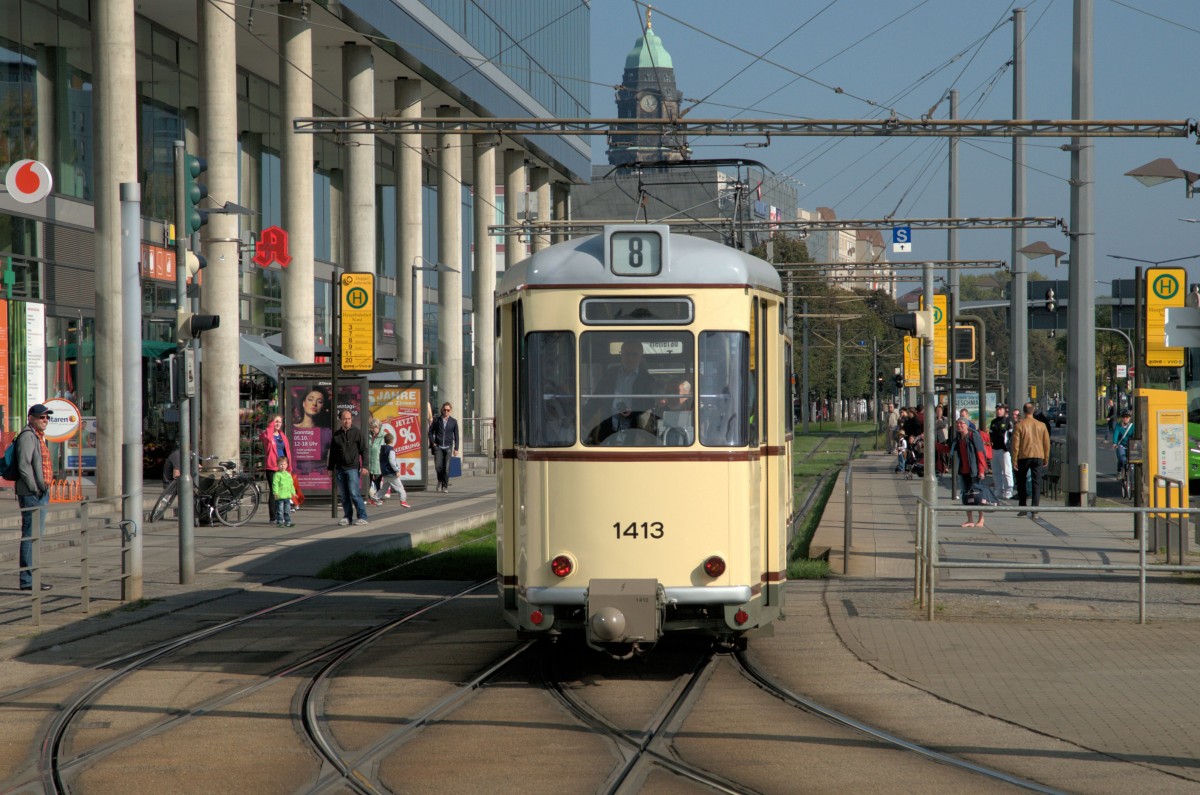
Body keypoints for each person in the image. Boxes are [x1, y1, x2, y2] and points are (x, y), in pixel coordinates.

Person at [15, 404, 53, 591]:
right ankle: (27, 580)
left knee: (35, 536)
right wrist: (35, 489)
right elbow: (24, 465)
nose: (45, 420)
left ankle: (32, 577)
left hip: (39, 492)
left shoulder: (38, 437)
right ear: (31, 418)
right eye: (41, 417)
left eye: (47, 417)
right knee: (31, 536)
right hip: (32, 494)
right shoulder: (28, 436)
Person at [588, 339, 655, 443]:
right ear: (621, 355)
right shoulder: (610, 374)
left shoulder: (646, 379)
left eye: (634, 354)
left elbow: (650, 404)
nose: (630, 358)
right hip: (609, 424)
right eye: (627, 354)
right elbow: (596, 399)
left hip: (634, 427)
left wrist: (633, 411)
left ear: (641, 357)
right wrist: (581, 420)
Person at [327, 409, 370, 525]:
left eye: (349, 418)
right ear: (341, 420)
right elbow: (333, 453)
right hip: (340, 468)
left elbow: (364, 450)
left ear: (352, 419)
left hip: (352, 467)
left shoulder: (357, 432)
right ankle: (347, 517)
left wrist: (365, 465)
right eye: (344, 419)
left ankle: (362, 516)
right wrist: (330, 468)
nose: (347, 421)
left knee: (354, 493)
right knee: (344, 495)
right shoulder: (336, 435)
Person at [1011, 401, 1051, 519]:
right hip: (1038, 456)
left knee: (1022, 482)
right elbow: (1046, 443)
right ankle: (1035, 509)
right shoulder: (1041, 425)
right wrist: (1046, 457)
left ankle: (1023, 506)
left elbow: (1015, 445)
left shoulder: (1019, 425)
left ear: (1023, 412)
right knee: (1036, 483)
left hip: (1024, 456)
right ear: (1033, 411)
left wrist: (1014, 460)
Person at [952, 417, 989, 528]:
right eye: (957, 423)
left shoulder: (974, 436)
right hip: (963, 471)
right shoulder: (958, 438)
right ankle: (970, 520)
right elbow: (949, 449)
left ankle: (981, 519)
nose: (959, 425)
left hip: (975, 471)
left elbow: (980, 453)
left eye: (961, 423)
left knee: (978, 495)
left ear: (967, 425)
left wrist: (981, 471)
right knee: (966, 496)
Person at [259, 414, 293, 523]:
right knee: (274, 491)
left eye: (279, 422)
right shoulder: (267, 435)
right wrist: (271, 425)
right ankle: (273, 517)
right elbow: (267, 435)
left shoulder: (282, 435)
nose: (278, 424)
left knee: (283, 490)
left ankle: (281, 515)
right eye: (275, 422)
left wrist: (288, 466)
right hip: (272, 467)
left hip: (282, 467)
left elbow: (287, 451)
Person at [428, 402, 460, 492]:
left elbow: (456, 436)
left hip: (448, 446)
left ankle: (444, 486)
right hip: (438, 446)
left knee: (446, 468)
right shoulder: (436, 420)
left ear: (450, 411)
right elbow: (430, 432)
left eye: (448, 410)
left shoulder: (453, 422)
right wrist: (433, 443)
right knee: (438, 467)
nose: (446, 412)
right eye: (444, 410)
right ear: (442, 410)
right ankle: (439, 480)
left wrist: (456, 448)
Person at [377, 429, 412, 508]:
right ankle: (403, 500)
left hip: (385, 472)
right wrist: (396, 470)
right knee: (400, 487)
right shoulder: (391, 450)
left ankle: (376, 497)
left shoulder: (382, 449)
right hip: (391, 472)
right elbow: (392, 461)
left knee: (384, 488)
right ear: (392, 440)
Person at [989, 404, 1015, 500]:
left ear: (1004, 410)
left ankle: (1009, 489)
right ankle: (998, 489)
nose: (999, 411)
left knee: (1007, 471)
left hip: (1004, 450)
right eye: (997, 409)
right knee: (996, 472)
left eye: (1000, 409)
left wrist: (1007, 447)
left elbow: (1010, 436)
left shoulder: (1008, 421)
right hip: (994, 449)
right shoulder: (993, 422)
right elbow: (990, 435)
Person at [271, 457, 296, 528]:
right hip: (280, 496)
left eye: (284, 464)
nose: (283, 466)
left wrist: (293, 492)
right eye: (281, 464)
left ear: (287, 465)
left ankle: (288, 522)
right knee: (280, 510)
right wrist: (275, 492)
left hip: (287, 496)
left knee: (287, 510)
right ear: (278, 465)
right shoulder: (277, 475)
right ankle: (280, 522)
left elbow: (291, 484)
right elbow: (275, 484)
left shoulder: (288, 474)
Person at [367, 418, 386, 505]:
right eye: (371, 427)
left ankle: (379, 498)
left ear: (379, 427)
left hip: (378, 464)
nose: (373, 429)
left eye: (374, 427)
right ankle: (369, 498)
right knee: (367, 482)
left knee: (378, 482)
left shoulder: (384, 437)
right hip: (368, 463)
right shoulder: (368, 436)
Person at [1112, 409, 1135, 477]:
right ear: (1121, 417)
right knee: (1122, 458)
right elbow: (1115, 434)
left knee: (1133, 460)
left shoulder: (1132, 426)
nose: (1125, 418)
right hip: (1121, 445)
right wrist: (1115, 443)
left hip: (1131, 446)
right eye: (1124, 417)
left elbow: (1135, 435)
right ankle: (1119, 471)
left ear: (1130, 418)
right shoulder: (1118, 426)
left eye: (1127, 417)